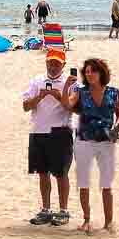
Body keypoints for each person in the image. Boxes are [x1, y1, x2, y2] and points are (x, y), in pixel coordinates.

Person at [65, 57, 119, 233]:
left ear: (101, 72)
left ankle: (108, 222)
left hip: (107, 141)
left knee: (107, 183)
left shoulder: (114, 92)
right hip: (84, 141)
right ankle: (86, 220)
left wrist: (117, 125)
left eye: (93, 71)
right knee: (83, 182)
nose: (90, 74)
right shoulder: (81, 92)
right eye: (87, 72)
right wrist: (67, 87)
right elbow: (68, 104)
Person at [21, 47, 75, 227]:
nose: (53, 67)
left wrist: (59, 96)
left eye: (57, 64)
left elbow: (72, 107)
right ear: (46, 62)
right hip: (38, 131)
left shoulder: (70, 82)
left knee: (61, 173)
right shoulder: (37, 80)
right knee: (42, 173)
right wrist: (39, 96)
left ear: (63, 64)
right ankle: (45, 209)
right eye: (50, 63)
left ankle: (63, 210)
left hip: (60, 131)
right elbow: (26, 106)